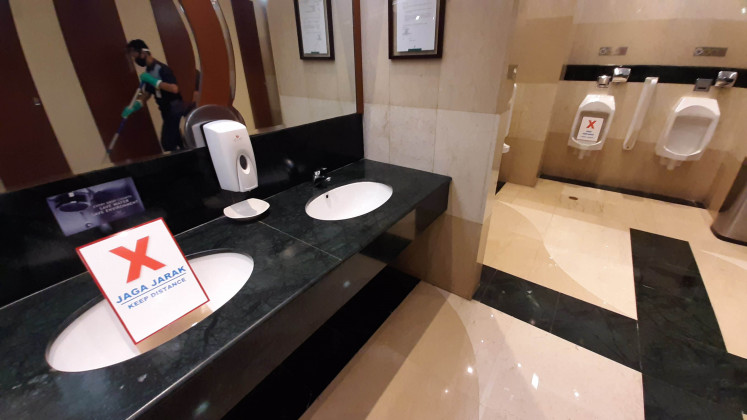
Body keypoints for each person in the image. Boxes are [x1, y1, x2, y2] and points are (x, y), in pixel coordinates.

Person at [122, 39, 186, 151]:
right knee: (176, 138)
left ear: (143, 53)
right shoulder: (148, 71)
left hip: (174, 107)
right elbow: (147, 93)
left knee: (167, 142)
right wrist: (135, 105)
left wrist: (153, 81)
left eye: (135, 56)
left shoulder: (161, 68)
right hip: (165, 109)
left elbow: (174, 89)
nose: (135, 60)